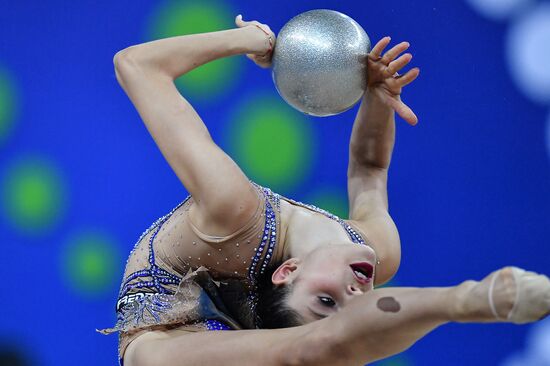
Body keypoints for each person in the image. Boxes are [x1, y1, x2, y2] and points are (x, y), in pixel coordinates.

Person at [101, 14, 550, 366]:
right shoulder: (378, 249)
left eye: (326, 300)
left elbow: (136, 65)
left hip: (165, 336)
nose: (356, 294)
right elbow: (370, 169)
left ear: (287, 270)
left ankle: (470, 300)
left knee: (312, 350)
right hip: (264, 338)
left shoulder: (234, 213)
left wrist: (248, 41)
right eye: (350, 304)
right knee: (327, 349)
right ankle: (468, 300)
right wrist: (377, 99)